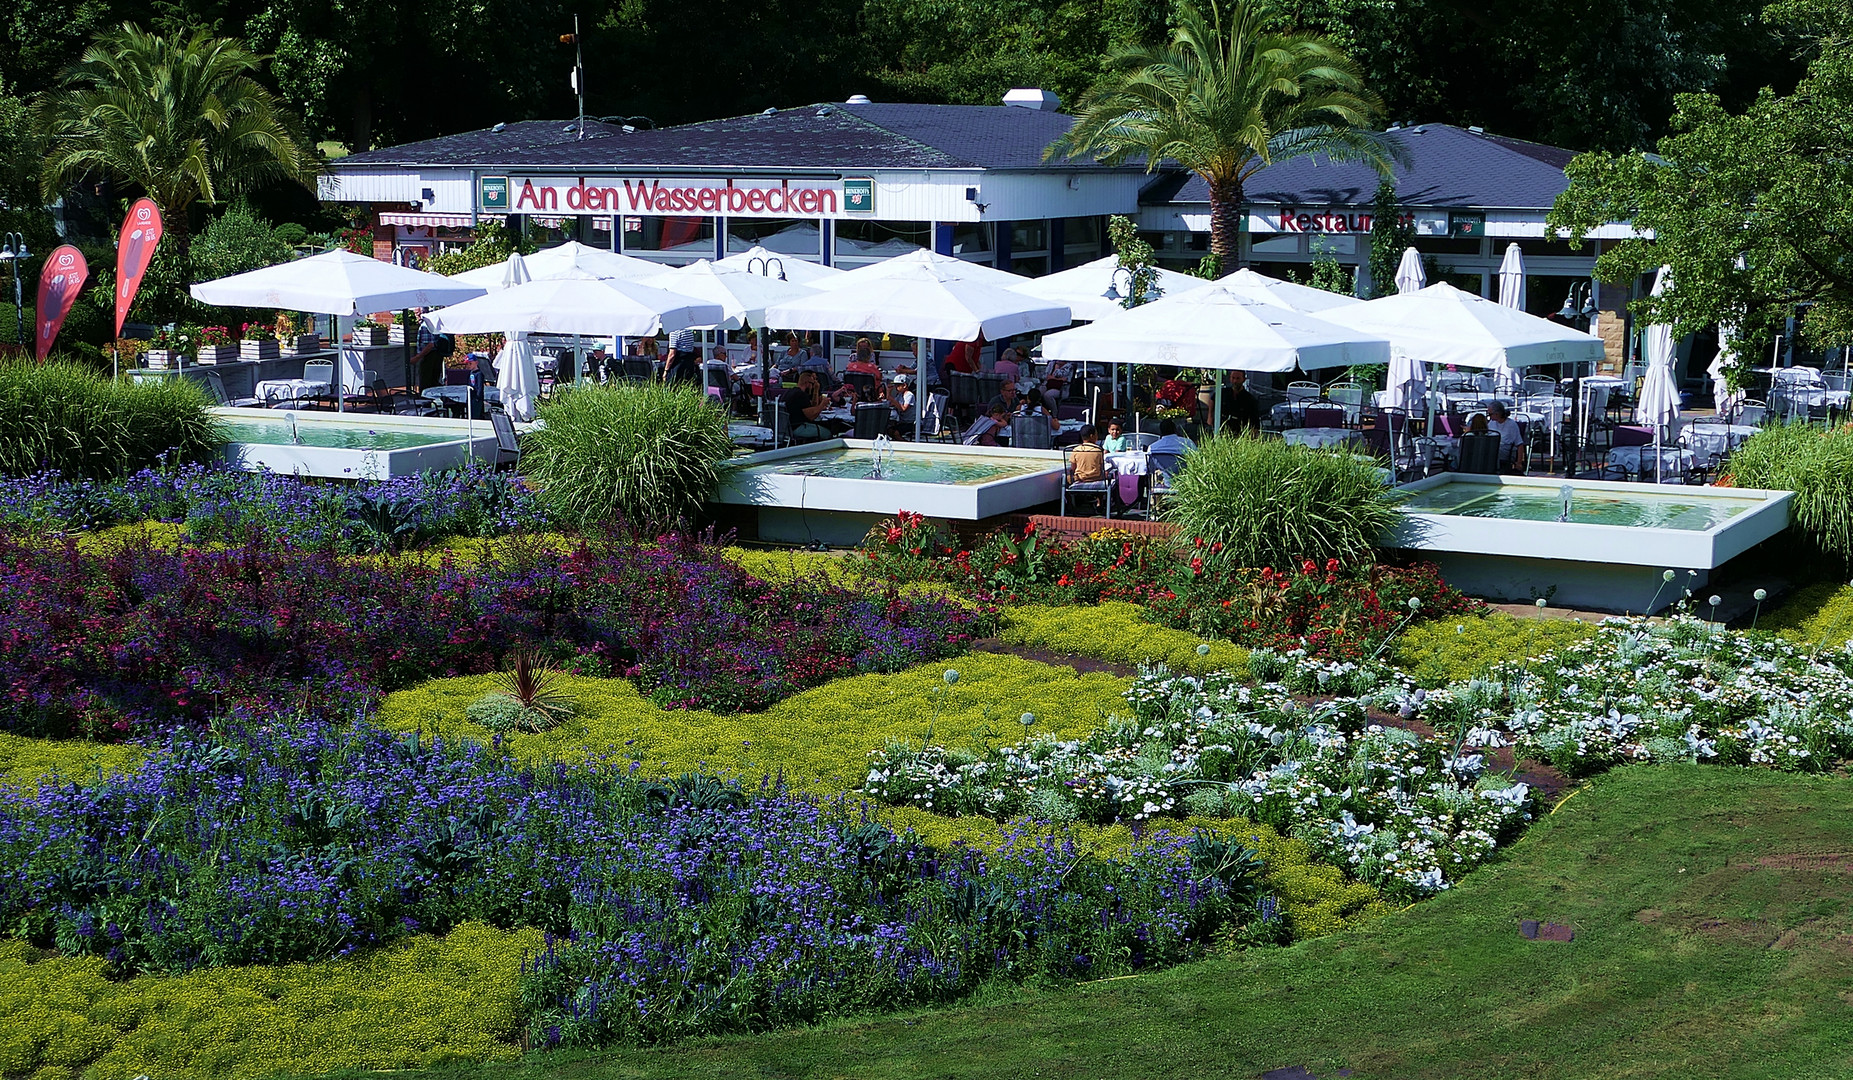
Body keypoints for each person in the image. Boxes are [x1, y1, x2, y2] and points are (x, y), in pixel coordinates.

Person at [780, 369, 834, 440]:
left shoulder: (790, 392)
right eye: (812, 384)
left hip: (785, 428)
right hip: (797, 427)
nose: (813, 386)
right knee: (827, 433)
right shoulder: (801, 395)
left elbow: (811, 407)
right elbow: (811, 416)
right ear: (807, 383)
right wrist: (822, 404)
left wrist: (816, 391)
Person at [1486, 402, 1528, 472]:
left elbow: (1520, 444)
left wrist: (1519, 463)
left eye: (1490, 414)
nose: (1489, 416)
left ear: (1497, 414)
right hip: (1493, 448)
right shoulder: (1491, 423)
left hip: (1505, 451)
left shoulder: (1511, 425)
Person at [1221, 371, 1262, 435]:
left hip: (1241, 430)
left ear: (1244, 380)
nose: (1235, 381)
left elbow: (1255, 421)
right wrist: (1210, 415)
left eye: (1238, 378)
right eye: (1233, 378)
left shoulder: (1250, 399)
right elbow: (1212, 399)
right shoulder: (1223, 393)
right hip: (1224, 428)